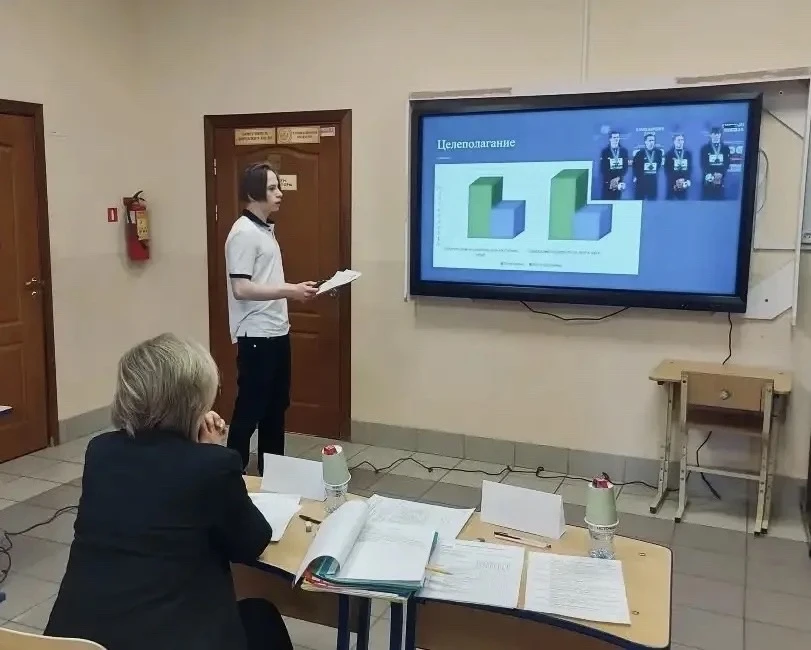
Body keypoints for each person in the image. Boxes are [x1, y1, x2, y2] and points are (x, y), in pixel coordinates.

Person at [44, 334, 293, 650]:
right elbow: (252, 541)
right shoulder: (212, 465)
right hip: (168, 637)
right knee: (261, 618)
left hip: (74, 640)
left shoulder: (101, 452)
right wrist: (208, 452)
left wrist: (200, 452)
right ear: (194, 403)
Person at [226, 162, 318, 474]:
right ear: (254, 193)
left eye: (278, 186)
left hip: (277, 331)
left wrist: (295, 290)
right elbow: (241, 288)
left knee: (276, 409)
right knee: (250, 410)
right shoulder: (243, 233)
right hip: (256, 335)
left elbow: (264, 280)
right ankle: (231, 473)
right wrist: (291, 290)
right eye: (271, 188)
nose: (280, 194)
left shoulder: (265, 230)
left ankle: (273, 475)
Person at [700, 127, 732, 200]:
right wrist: (711, 174)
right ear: (711, 135)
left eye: (718, 134)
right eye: (714, 134)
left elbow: (727, 163)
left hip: (720, 179)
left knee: (720, 199)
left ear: (720, 135)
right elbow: (703, 164)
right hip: (708, 180)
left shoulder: (725, 148)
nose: (716, 136)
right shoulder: (704, 148)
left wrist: (721, 174)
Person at [631, 133, 663, 200]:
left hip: (652, 180)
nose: (651, 142)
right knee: (639, 199)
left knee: (652, 201)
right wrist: (637, 176)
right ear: (645, 142)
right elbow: (635, 166)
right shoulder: (639, 153)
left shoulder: (658, 152)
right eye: (649, 140)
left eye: (653, 140)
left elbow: (659, 164)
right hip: (642, 180)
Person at [598, 131, 629, 200]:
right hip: (608, 181)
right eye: (614, 137)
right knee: (607, 199)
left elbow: (625, 167)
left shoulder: (624, 151)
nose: (616, 139)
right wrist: (612, 180)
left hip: (619, 181)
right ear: (610, 139)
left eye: (618, 137)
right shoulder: (605, 151)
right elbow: (603, 168)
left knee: (617, 200)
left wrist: (618, 178)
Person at [663, 133, 693, 200]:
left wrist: (685, 179)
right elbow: (667, 170)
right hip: (672, 184)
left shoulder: (688, 154)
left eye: (682, 140)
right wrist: (675, 181)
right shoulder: (668, 154)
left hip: (683, 183)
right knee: (669, 203)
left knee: (683, 203)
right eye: (678, 140)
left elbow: (690, 168)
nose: (680, 142)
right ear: (674, 141)